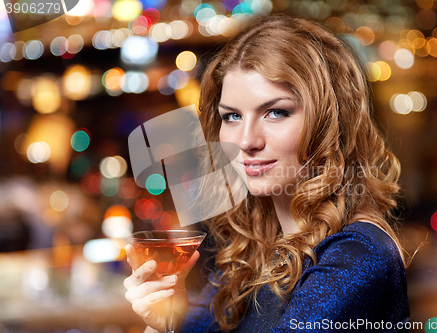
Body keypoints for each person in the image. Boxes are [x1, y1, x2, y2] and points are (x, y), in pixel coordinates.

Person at [124, 14, 410, 333]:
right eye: (232, 116)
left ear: (328, 123)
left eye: (276, 112)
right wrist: (164, 322)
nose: (246, 141)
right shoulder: (256, 256)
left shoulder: (357, 254)